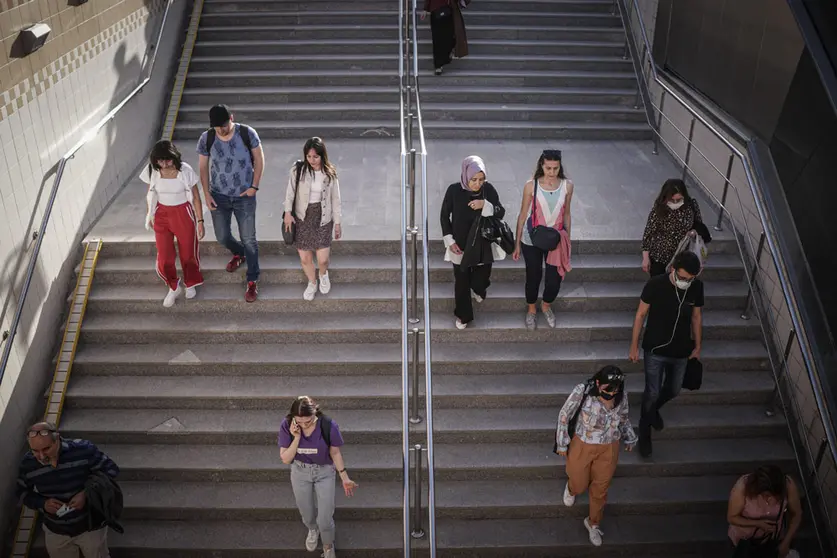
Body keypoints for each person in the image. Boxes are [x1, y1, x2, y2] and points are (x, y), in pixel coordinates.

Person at [629, 250, 703, 457]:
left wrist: (698, 346)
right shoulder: (655, 284)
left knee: (674, 389)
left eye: (690, 279)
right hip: (655, 349)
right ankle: (645, 429)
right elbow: (640, 314)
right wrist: (634, 345)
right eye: (682, 277)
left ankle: (652, 411)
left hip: (681, 351)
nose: (685, 282)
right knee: (652, 390)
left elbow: (696, 317)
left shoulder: (696, 287)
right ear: (673, 269)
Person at [554, 366, 637, 547]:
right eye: (608, 389)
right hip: (583, 443)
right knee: (579, 481)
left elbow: (623, 418)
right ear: (598, 383)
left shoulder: (621, 395)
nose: (612, 392)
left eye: (616, 389)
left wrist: (629, 437)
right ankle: (571, 488)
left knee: (601, 488)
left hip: (609, 446)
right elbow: (564, 414)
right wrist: (562, 442)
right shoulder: (583, 391)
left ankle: (593, 522)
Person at [17, 422, 120, 558]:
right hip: (56, 530)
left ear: (57, 439)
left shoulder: (83, 450)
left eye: (46, 449)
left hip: (90, 526)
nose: (41, 456)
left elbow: (111, 470)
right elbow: (21, 492)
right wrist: (43, 504)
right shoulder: (28, 464)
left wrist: (86, 493)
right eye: (35, 451)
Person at [197, 104, 264, 302]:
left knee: (249, 238)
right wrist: (206, 193)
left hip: (245, 195)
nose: (221, 130)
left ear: (231, 118)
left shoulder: (247, 133)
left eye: (224, 125)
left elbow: (259, 159)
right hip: (219, 196)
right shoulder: (206, 138)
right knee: (222, 236)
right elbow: (202, 167)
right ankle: (239, 253)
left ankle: (252, 280)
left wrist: (254, 187)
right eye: (217, 127)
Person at [278, 396, 358, 558]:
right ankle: (312, 529)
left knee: (325, 517)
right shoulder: (287, 425)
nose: (303, 425)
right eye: (299, 421)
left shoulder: (328, 425)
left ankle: (328, 545)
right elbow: (286, 459)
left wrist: (345, 478)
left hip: (324, 472)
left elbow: (334, 452)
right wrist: (297, 437)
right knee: (306, 512)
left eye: (308, 421)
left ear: (315, 414)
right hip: (300, 471)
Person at [440, 155, 506, 329]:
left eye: (481, 179)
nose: (477, 184)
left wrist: (485, 204)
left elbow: (500, 212)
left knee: (480, 279)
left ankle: (479, 289)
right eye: (473, 180)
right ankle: (463, 315)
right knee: (461, 281)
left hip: (483, 243)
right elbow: (444, 215)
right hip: (459, 245)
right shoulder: (454, 191)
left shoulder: (488, 190)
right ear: (465, 176)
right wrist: (449, 240)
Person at [512, 149, 573, 330]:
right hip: (532, 239)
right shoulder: (531, 186)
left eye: (555, 168)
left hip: (555, 239)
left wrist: (567, 240)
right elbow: (523, 215)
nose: (552, 172)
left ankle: (546, 305)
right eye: (548, 168)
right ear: (542, 166)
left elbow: (567, 213)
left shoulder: (567, 186)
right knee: (534, 275)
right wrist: (516, 245)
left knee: (554, 280)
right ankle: (531, 309)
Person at [141, 140, 204, 308]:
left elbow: (196, 197)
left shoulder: (185, 170)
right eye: (160, 161)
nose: (164, 164)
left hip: (183, 213)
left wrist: (200, 221)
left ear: (174, 157)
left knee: (188, 252)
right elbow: (150, 194)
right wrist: (151, 215)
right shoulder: (152, 171)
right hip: (161, 214)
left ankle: (191, 282)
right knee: (164, 256)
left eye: (167, 160)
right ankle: (173, 286)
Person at [283, 137, 343, 301]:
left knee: (322, 259)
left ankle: (323, 274)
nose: (312, 160)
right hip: (302, 217)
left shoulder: (330, 173)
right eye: (309, 157)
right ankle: (312, 282)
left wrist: (337, 223)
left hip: (323, 216)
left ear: (322, 155)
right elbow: (289, 193)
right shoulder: (298, 170)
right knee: (305, 258)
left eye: (315, 157)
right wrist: (287, 213)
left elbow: (336, 199)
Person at [728, 465, 802, 558]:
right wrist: (758, 523)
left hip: (773, 539)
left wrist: (786, 542)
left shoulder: (788, 485)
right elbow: (732, 517)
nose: (770, 501)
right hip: (745, 539)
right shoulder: (743, 487)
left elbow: (796, 514)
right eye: (766, 495)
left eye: (776, 498)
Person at [641, 178, 705, 277]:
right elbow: (648, 233)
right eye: (671, 200)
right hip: (660, 256)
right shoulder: (659, 208)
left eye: (679, 200)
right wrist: (645, 258)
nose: (675, 203)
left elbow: (699, 226)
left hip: (683, 257)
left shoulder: (691, 206)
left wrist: (693, 232)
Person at [421, 0, 469, 75]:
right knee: (437, 38)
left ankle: (445, 57)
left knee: (449, 35)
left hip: (449, 9)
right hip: (436, 9)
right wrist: (425, 9)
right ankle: (438, 65)